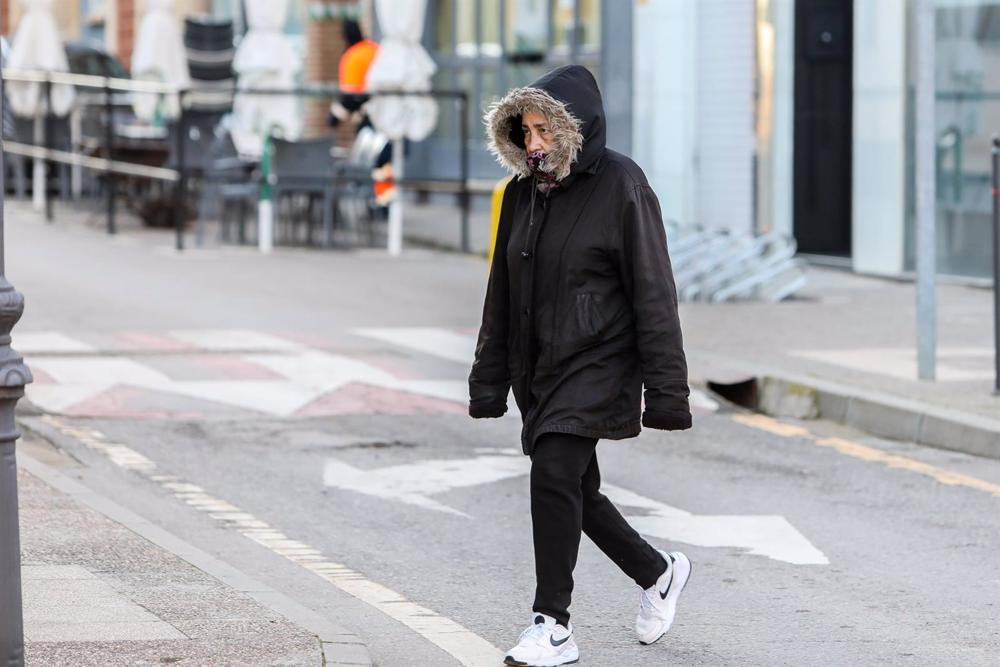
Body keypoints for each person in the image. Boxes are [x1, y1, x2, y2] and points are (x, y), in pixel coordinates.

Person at [469, 64, 694, 666]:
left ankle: (553, 626)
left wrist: (667, 393)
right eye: (525, 132)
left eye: (545, 131)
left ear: (576, 128)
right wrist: (489, 379)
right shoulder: (522, 194)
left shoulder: (623, 185)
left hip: (602, 359)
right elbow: (502, 293)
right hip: (539, 367)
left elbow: (654, 292)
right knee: (572, 484)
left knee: (553, 473)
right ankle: (657, 571)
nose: (534, 144)